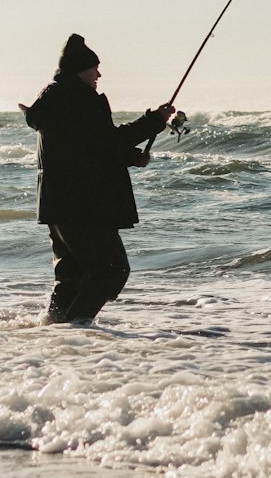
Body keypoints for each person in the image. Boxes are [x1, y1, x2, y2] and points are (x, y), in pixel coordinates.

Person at [19, 34, 174, 325]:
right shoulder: (75, 100)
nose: (99, 74)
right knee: (111, 269)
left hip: (58, 204)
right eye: (94, 68)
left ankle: (53, 332)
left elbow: (88, 147)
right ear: (80, 69)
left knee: (72, 278)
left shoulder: (55, 100)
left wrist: (129, 157)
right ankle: (78, 331)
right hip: (81, 204)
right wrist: (154, 121)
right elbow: (107, 141)